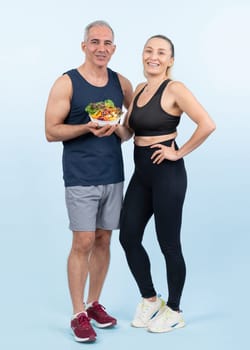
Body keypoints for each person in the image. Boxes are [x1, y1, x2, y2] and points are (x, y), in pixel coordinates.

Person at [119, 34, 216, 333]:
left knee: (168, 244)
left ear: (170, 60)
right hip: (142, 174)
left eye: (161, 52)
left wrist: (178, 152)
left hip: (167, 175)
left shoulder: (175, 88)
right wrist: (108, 126)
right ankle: (150, 299)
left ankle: (174, 309)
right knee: (128, 236)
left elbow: (207, 123)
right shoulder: (138, 90)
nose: (154, 56)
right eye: (149, 50)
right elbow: (128, 133)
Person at [45, 20, 133, 343]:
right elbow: (51, 131)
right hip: (81, 176)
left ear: (114, 48)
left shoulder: (122, 84)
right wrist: (86, 127)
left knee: (103, 241)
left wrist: (116, 129)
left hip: (113, 174)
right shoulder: (66, 83)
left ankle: (95, 303)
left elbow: (128, 129)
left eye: (107, 43)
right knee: (82, 242)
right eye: (94, 42)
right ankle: (77, 312)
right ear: (84, 45)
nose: (101, 48)